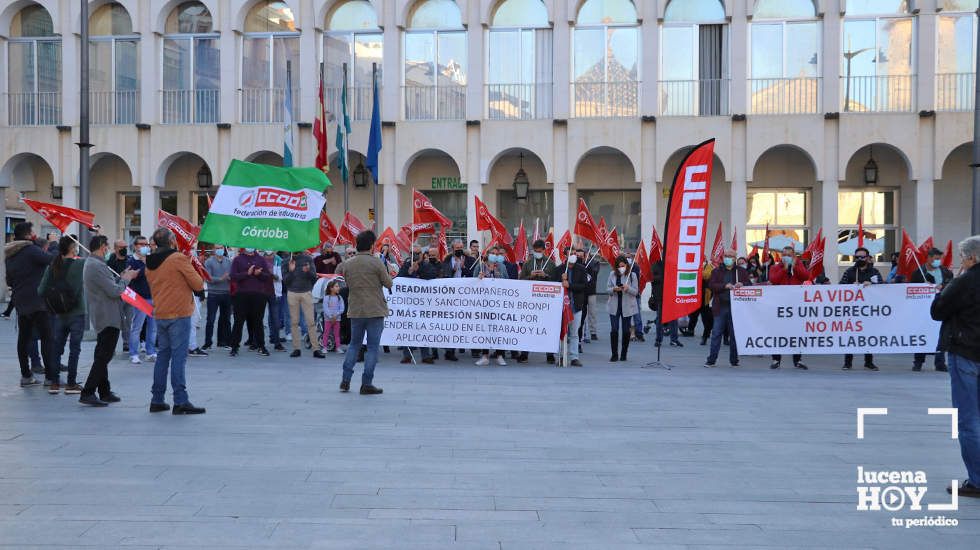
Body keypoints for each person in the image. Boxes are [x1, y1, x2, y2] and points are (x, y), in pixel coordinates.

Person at [930, 235, 980, 498]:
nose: (961, 261)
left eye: (963, 257)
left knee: (969, 419)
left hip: (966, 352)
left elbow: (938, 310)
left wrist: (946, 288)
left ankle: (977, 480)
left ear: (971, 258)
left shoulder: (966, 281)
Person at [144, 228, 207, 415]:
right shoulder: (177, 258)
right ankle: (180, 401)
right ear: (171, 241)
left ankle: (157, 399)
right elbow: (197, 283)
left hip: (161, 312)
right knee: (179, 358)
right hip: (179, 313)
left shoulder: (149, 263)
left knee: (163, 356)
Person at [81, 235, 138, 406]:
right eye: (106, 246)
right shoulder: (95, 265)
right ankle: (88, 391)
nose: (108, 249)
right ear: (101, 246)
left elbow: (109, 286)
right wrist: (127, 279)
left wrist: (121, 278)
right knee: (104, 356)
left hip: (106, 314)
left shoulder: (95, 264)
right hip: (107, 316)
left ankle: (104, 391)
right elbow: (114, 291)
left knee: (102, 354)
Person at [337, 230, 391, 395]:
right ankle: (366, 383)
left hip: (356, 309)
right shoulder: (376, 263)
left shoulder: (348, 264)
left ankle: (345, 380)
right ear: (372, 245)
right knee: (373, 348)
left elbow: (346, 280)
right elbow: (388, 283)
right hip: (374, 309)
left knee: (354, 344)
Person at [5, 222, 55, 387]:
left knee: (24, 338)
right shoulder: (31, 250)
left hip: (21, 302)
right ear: (27, 235)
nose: (35, 235)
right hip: (38, 302)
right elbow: (52, 260)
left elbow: (9, 280)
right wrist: (54, 244)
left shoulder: (10, 254)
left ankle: (26, 375)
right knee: (47, 338)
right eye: (33, 232)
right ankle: (50, 377)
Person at [37, 236, 86, 394]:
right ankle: (71, 383)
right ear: (73, 249)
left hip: (59, 314)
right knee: (75, 348)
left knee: (56, 348)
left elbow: (41, 290)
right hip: (77, 312)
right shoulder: (80, 264)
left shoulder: (53, 266)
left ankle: (54, 382)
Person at [704, 249, 751, 368]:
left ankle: (734, 360)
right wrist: (724, 286)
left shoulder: (741, 271)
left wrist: (743, 285)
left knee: (735, 335)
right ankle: (711, 360)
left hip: (736, 308)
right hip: (721, 307)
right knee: (716, 333)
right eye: (726, 256)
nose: (728, 258)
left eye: (730, 256)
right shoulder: (716, 271)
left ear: (735, 258)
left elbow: (749, 284)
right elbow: (711, 285)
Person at [911, 247, 954, 371]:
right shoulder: (918, 272)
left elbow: (952, 285)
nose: (938, 261)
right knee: (922, 332)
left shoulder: (946, 272)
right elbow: (911, 289)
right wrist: (923, 287)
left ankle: (940, 362)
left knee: (941, 334)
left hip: (941, 306)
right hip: (923, 309)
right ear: (929, 258)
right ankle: (918, 361)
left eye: (939, 259)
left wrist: (943, 286)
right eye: (936, 259)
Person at [840, 247, 883, 371]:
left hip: (869, 310)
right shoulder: (849, 271)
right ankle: (848, 362)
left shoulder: (874, 272)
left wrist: (872, 285)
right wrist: (850, 287)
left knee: (868, 335)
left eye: (862, 257)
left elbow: (883, 286)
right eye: (857, 257)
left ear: (868, 258)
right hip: (852, 310)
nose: (859, 259)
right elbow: (841, 286)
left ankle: (868, 362)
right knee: (850, 336)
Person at [767, 245, 809, 370]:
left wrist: (795, 266)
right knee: (777, 333)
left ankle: (797, 360)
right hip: (779, 306)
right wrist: (784, 269)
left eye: (789, 255)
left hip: (795, 306)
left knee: (796, 333)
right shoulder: (775, 267)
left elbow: (805, 276)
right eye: (784, 254)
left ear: (794, 256)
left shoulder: (799, 266)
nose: (786, 257)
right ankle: (776, 360)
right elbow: (773, 279)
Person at [517, 239, 557, 364]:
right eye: (535, 251)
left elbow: (556, 281)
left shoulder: (550, 264)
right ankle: (524, 354)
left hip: (546, 300)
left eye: (539, 251)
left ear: (544, 250)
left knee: (547, 326)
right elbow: (520, 280)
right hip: (530, 300)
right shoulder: (528, 263)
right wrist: (530, 276)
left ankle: (550, 354)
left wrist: (546, 276)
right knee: (529, 326)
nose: (537, 253)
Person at [398, 246, 440, 364]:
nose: (416, 255)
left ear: (422, 254)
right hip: (409, 304)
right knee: (408, 329)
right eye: (413, 253)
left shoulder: (426, 265)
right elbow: (398, 279)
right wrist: (410, 271)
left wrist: (419, 271)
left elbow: (433, 275)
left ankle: (425, 355)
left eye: (418, 253)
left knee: (423, 329)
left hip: (423, 304)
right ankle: (407, 355)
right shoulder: (406, 265)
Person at [474, 245, 512, 366]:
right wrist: (479, 278)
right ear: (488, 254)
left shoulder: (502, 267)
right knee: (485, 329)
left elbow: (507, 282)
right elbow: (472, 282)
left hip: (498, 303)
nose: (495, 255)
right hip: (484, 303)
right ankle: (485, 355)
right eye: (493, 253)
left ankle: (499, 354)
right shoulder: (480, 266)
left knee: (499, 329)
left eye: (497, 253)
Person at [230, 248, 272, 357]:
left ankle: (261, 346)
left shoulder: (261, 259)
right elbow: (233, 276)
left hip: (258, 294)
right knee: (238, 321)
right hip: (241, 294)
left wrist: (260, 274)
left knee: (258, 321)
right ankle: (234, 347)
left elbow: (267, 276)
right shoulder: (238, 259)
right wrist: (247, 273)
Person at [284, 250, 325, 358]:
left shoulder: (308, 259)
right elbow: (285, 281)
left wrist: (308, 271)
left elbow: (314, 278)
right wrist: (291, 271)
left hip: (306, 292)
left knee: (311, 322)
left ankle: (316, 349)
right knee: (294, 322)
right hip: (292, 292)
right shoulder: (287, 261)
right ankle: (296, 348)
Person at [126, 236, 157, 365]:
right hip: (139, 298)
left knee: (153, 327)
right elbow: (128, 277)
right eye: (142, 244)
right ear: (135, 246)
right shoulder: (131, 261)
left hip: (153, 297)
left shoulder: (151, 260)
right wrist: (142, 266)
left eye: (146, 244)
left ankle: (150, 352)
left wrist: (147, 262)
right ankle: (133, 353)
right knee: (137, 327)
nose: (145, 246)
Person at [607, 255, 638, 362]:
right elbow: (607, 289)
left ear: (626, 265)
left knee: (626, 331)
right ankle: (614, 354)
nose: (621, 268)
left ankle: (624, 353)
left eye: (623, 266)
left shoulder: (632, 275)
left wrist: (627, 288)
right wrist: (614, 289)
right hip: (614, 306)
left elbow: (635, 291)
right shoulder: (612, 274)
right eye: (619, 266)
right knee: (614, 329)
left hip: (627, 306)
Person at [561, 247, 588, 367]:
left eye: (574, 253)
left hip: (576, 306)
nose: (573, 255)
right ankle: (561, 355)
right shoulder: (560, 270)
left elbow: (584, 286)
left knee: (574, 333)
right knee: (562, 332)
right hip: (562, 307)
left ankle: (574, 357)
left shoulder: (581, 269)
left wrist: (569, 285)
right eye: (570, 254)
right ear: (565, 256)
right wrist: (561, 281)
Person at [203, 245, 232, 350]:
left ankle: (225, 341)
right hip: (213, 294)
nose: (220, 250)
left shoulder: (229, 261)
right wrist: (221, 278)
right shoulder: (209, 262)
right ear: (214, 250)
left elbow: (232, 275)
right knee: (210, 319)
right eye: (217, 248)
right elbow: (208, 278)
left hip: (226, 293)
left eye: (221, 248)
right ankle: (207, 343)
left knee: (226, 319)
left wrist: (231, 277)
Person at [107, 239, 132, 353]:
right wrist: (120, 277)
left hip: (130, 294)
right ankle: (111, 344)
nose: (124, 249)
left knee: (129, 321)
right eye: (122, 247)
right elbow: (109, 279)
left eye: (125, 246)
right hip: (117, 295)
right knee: (117, 321)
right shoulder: (110, 262)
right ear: (116, 248)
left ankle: (127, 343)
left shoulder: (130, 260)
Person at [650, 259, 682, 348]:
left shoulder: (672, 264)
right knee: (660, 319)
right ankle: (658, 339)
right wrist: (664, 276)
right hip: (660, 297)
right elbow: (652, 277)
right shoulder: (655, 265)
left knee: (674, 319)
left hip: (671, 296)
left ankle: (674, 339)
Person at [685, 259, 714, 345]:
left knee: (706, 317)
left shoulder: (709, 267)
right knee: (693, 315)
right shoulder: (694, 267)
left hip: (706, 297)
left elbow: (707, 276)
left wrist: (699, 272)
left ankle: (706, 333)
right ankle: (690, 330)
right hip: (696, 295)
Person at [264, 251, 286, 352]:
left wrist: (271, 275)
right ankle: (256, 342)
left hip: (275, 293)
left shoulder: (279, 260)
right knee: (258, 317)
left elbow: (281, 277)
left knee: (275, 318)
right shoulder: (260, 259)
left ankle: (276, 342)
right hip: (262, 292)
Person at [321, 280, 345, 353]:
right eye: (336, 286)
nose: (338, 288)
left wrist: (336, 315)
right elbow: (325, 308)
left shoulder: (339, 298)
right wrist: (331, 316)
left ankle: (338, 347)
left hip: (337, 319)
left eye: (338, 286)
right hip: (328, 319)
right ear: (331, 288)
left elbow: (342, 308)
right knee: (326, 333)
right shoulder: (326, 297)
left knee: (337, 334)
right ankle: (324, 347)